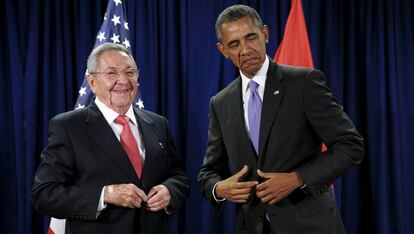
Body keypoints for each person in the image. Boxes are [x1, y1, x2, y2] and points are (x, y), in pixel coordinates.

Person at [198, 5, 364, 234]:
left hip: (311, 225)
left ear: (265, 34)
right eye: (234, 44)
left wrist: (298, 178)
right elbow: (208, 172)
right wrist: (219, 188)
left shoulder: (304, 83)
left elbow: (351, 146)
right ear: (223, 50)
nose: (245, 50)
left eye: (251, 37)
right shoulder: (220, 103)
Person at [32, 43, 190, 234]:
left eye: (129, 72)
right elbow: (44, 195)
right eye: (111, 73)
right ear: (91, 81)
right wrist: (105, 195)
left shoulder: (158, 123)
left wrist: (169, 191)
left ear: (137, 76)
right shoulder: (68, 127)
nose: (123, 80)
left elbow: (178, 176)